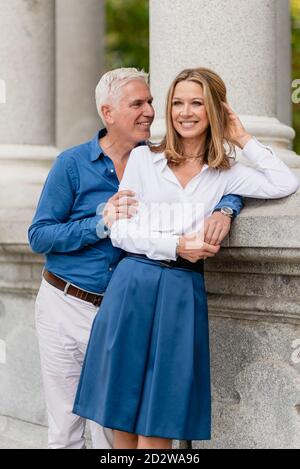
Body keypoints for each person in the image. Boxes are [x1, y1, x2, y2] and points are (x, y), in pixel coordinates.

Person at [73, 67, 299, 450]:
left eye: (197, 103)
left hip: (180, 292)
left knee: (160, 415)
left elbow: (285, 182)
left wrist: (240, 136)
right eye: (177, 103)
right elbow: (122, 230)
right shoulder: (144, 160)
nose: (185, 112)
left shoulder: (227, 172)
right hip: (132, 286)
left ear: (214, 110)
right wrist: (176, 245)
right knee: (120, 412)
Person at [28, 68, 242, 449]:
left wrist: (226, 207)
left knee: (111, 430)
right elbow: (39, 235)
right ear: (108, 113)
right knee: (66, 427)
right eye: (137, 104)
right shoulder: (73, 164)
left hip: (124, 309)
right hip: (67, 302)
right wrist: (99, 223)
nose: (149, 111)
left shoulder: (157, 162)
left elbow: (218, 181)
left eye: (149, 102)